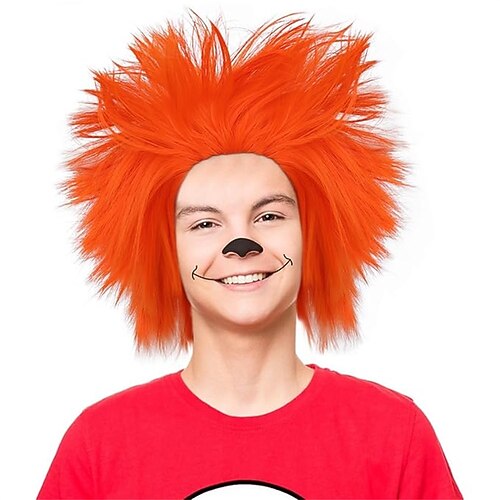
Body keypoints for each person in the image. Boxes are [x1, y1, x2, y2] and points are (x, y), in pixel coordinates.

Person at [38, 11, 463, 499]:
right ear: (164, 252)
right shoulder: (101, 445)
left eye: (269, 216)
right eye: (205, 223)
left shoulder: (392, 434)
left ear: (313, 236)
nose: (241, 245)